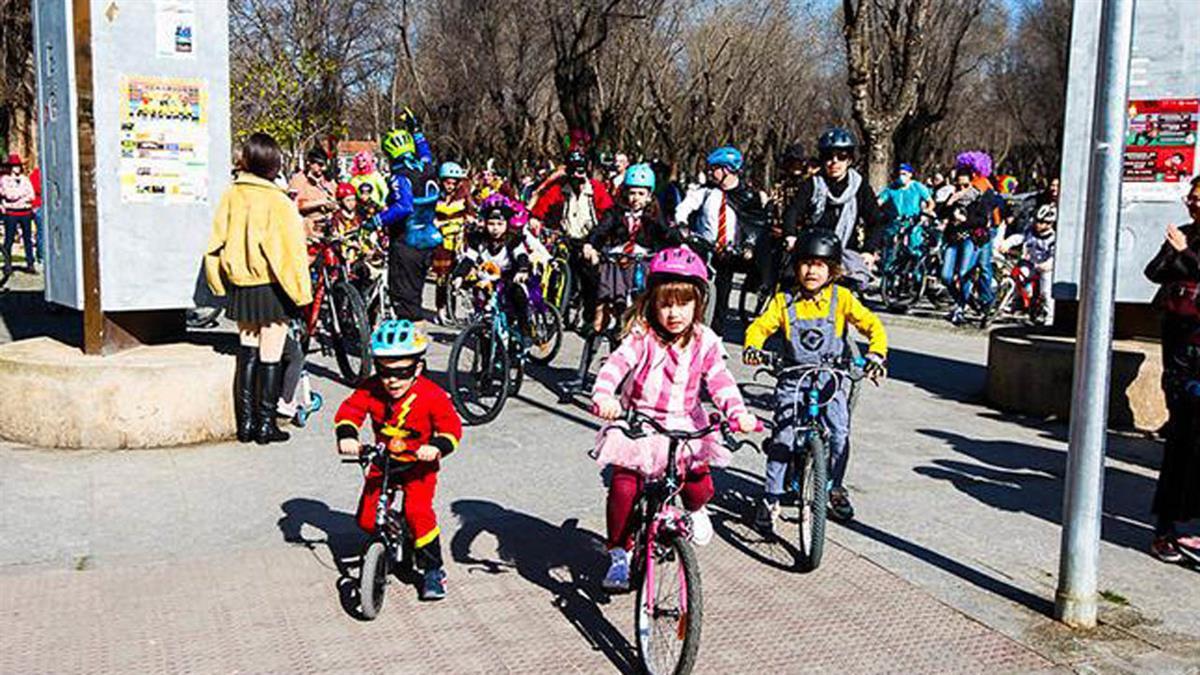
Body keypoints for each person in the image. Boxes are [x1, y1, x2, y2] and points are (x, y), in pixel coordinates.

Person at [590, 246, 758, 591]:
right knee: (624, 487)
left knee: (699, 480)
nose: (674, 313)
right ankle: (619, 553)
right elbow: (615, 366)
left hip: (684, 422)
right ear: (652, 302)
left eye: (683, 303)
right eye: (665, 303)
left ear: (699, 303)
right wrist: (604, 396)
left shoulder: (704, 340)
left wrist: (737, 413)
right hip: (639, 424)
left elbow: (721, 380)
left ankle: (696, 510)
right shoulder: (642, 335)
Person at [744, 229, 887, 527]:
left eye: (820, 265)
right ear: (796, 267)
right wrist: (753, 346)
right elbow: (760, 327)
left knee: (839, 434)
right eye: (806, 263)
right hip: (793, 377)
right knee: (783, 435)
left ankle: (834, 487)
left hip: (830, 378)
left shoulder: (842, 298)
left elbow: (872, 325)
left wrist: (876, 354)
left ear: (832, 270)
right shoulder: (783, 301)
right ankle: (770, 497)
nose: (812, 270)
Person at [335, 320, 463, 600]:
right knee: (368, 519)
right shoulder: (371, 389)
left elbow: (452, 427)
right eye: (384, 372)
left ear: (417, 368)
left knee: (418, 512)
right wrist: (347, 435)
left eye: (401, 372)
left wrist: (437, 445)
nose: (392, 380)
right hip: (383, 461)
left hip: (419, 466)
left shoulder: (432, 395)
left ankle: (433, 570)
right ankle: (390, 534)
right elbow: (350, 410)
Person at [205, 132, 313, 445]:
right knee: (271, 353)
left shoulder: (231, 194)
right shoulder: (278, 201)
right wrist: (300, 295)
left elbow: (215, 241)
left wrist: (217, 280)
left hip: (241, 285)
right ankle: (266, 426)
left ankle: (246, 425)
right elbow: (289, 253)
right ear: (274, 163)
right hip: (272, 286)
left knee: (247, 351)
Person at [1143, 177, 1200, 564]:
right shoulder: (1184, 234)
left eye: (1199, 200)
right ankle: (1167, 529)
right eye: (1191, 199)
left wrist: (1185, 258)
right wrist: (1179, 254)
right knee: (1181, 441)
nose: (1192, 205)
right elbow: (1155, 272)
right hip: (1184, 352)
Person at [674, 145, 769, 329]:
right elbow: (685, 206)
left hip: (729, 251)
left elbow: (754, 226)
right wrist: (682, 222)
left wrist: (749, 245)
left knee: (722, 294)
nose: (711, 173)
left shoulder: (748, 195)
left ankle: (716, 335)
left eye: (715, 169)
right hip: (704, 246)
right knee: (695, 287)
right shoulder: (706, 191)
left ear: (728, 170)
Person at [782, 128, 886, 293]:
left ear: (850, 160)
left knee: (847, 297)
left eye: (841, 157)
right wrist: (790, 235)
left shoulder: (860, 187)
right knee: (788, 285)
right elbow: (793, 210)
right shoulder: (812, 184)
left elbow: (876, 221)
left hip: (844, 251)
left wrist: (868, 251)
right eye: (828, 157)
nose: (834, 162)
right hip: (812, 248)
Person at [584, 163, 678, 334]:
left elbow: (667, 233)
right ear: (625, 192)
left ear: (649, 195)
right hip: (617, 260)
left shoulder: (654, 215)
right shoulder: (615, 213)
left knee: (648, 293)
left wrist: (682, 245)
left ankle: (642, 319)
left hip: (642, 261)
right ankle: (603, 310)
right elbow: (601, 230)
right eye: (632, 193)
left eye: (641, 194)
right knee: (607, 273)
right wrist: (590, 245)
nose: (636, 198)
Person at [367, 109, 441, 322]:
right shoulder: (426, 168)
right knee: (415, 298)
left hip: (406, 244)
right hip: (426, 242)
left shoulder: (399, 177)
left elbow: (403, 206)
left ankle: (413, 351)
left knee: (406, 306)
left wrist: (377, 221)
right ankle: (417, 349)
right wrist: (416, 131)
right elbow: (426, 152)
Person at [529, 149, 614, 328]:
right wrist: (536, 218)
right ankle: (558, 308)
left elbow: (608, 214)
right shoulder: (560, 189)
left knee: (590, 278)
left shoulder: (596, 189)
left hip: (590, 239)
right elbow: (543, 204)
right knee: (559, 270)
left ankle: (589, 317)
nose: (578, 175)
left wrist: (596, 240)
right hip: (568, 237)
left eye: (581, 170)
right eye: (574, 170)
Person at [452, 194, 533, 339]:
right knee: (482, 311)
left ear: (507, 224)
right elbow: (469, 259)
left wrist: (522, 270)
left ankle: (524, 328)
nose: (495, 229)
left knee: (518, 295)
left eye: (499, 224)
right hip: (487, 280)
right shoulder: (479, 240)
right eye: (491, 224)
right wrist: (459, 275)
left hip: (510, 278)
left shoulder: (512, 240)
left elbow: (521, 256)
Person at [998, 203, 1057, 324]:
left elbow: (1054, 255)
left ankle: (1049, 316)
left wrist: (1047, 264)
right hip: (1031, 263)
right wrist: (1007, 243)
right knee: (1019, 275)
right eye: (1037, 221)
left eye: (1041, 222)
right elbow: (1019, 238)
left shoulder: (1053, 238)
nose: (1038, 224)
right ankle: (1016, 302)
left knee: (1046, 291)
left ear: (1049, 223)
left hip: (1045, 267)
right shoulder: (1030, 231)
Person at [433, 161, 476, 325]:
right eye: (447, 182)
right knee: (442, 277)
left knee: (458, 275)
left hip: (459, 240)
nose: (450, 186)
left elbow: (470, 213)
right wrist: (435, 222)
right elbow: (428, 215)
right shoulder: (435, 196)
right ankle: (441, 310)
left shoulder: (464, 196)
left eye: (453, 182)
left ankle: (453, 311)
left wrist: (471, 219)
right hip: (442, 242)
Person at [877, 162, 935, 270]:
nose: (901, 177)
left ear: (910, 175)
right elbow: (880, 200)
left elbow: (930, 202)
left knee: (914, 247)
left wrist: (926, 212)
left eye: (904, 174)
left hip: (913, 221)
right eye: (899, 174)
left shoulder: (917, 187)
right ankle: (888, 273)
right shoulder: (892, 188)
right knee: (890, 248)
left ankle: (915, 273)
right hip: (896, 222)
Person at [0, 153, 36, 283]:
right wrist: (22, 195)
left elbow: (31, 195)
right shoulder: (4, 180)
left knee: (27, 239)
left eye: (18, 166)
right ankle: (8, 264)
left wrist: (20, 196)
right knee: (9, 239)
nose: (17, 169)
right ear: (10, 168)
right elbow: (9, 195)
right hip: (11, 213)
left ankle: (30, 263)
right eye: (14, 166)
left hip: (25, 212)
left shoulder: (25, 179)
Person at [288, 147, 336, 237]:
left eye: (325, 165)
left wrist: (333, 205)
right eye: (320, 165)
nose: (324, 168)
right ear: (309, 163)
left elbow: (336, 198)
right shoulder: (298, 180)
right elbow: (293, 205)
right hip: (308, 229)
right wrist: (320, 202)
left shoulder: (328, 180)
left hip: (329, 228)